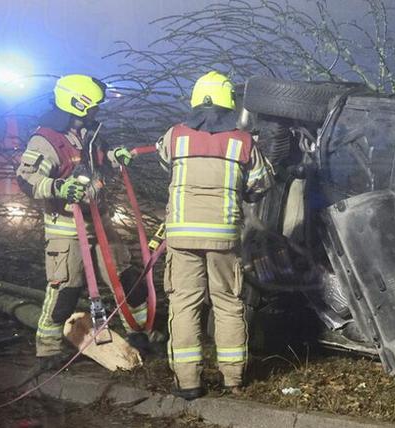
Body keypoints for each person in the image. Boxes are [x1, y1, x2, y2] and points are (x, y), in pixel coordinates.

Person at [15, 74, 150, 370]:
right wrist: (59, 187)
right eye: (93, 105)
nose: (97, 110)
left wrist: (116, 156)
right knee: (65, 290)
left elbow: (98, 161)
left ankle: (140, 333)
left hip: (99, 221)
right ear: (78, 103)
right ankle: (48, 350)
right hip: (66, 228)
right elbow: (26, 178)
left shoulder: (89, 132)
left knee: (126, 278)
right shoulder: (47, 140)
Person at [156, 71, 272, 400]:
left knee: (184, 304)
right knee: (228, 303)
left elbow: (166, 165)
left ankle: (188, 382)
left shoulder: (174, 136)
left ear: (196, 99)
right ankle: (233, 379)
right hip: (223, 236)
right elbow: (261, 183)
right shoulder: (243, 141)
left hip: (182, 236)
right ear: (228, 102)